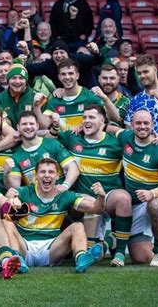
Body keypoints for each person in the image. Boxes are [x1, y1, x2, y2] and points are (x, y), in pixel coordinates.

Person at [54, 105, 132, 267]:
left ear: (103, 121)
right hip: (80, 201)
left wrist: (154, 138)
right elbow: (46, 135)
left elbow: (138, 140)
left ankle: (119, 253)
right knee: (97, 256)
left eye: (92, 117)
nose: (87, 121)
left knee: (124, 198)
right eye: (85, 118)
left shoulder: (115, 143)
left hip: (107, 197)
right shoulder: (73, 138)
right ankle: (109, 240)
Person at [6, 158, 105, 272]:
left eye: (51, 172)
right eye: (43, 172)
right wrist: (10, 200)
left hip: (52, 249)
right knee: (6, 222)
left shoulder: (64, 195)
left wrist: (101, 196)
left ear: (57, 176)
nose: (47, 175)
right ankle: (17, 259)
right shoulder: (23, 192)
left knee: (77, 226)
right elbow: (3, 213)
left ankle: (81, 259)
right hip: (24, 246)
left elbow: (95, 208)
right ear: (36, 175)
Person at [116, 110, 158, 266]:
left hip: (156, 199)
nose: (142, 126)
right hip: (133, 203)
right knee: (140, 258)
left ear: (152, 125)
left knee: (156, 205)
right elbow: (109, 128)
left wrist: (152, 193)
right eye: (138, 123)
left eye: (146, 123)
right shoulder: (126, 137)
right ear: (131, 125)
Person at [4, 111, 78, 190]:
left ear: (37, 126)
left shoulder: (52, 144)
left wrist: (65, 186)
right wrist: (6, 173)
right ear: (18, 127)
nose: (28, 127)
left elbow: (73, 168)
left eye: (31, 124)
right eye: (24, 124)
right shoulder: (16, 157)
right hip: (35, 200)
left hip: (60, 197)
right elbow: (14, 188)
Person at [40, 58, 107, 130]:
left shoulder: (89, 97)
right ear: (59, 77)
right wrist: (36, 107)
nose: (67, 77)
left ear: (77, 75)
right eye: (63, 74)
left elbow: (106, 119)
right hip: (62, 140)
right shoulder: (54, 100)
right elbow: (43, 126)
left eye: (70, 73)